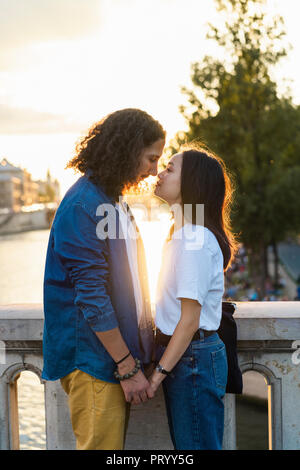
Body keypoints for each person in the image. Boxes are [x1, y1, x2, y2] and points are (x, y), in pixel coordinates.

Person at [42, 108, 165, 450]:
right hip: (96, 362)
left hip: (110, 359)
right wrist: (127, 366)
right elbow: (92, 296)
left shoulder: (111, 200)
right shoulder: (84, 204)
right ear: (128, 149)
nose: (154, 171)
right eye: (151, 159)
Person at [148, 146, 239, 450]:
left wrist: (158, 375)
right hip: (191, 358)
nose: (159, 173)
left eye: (170, 168)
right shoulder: (185, 233)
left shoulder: (194, 239)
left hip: (192, 359)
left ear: (192, 184)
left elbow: (189, 320)